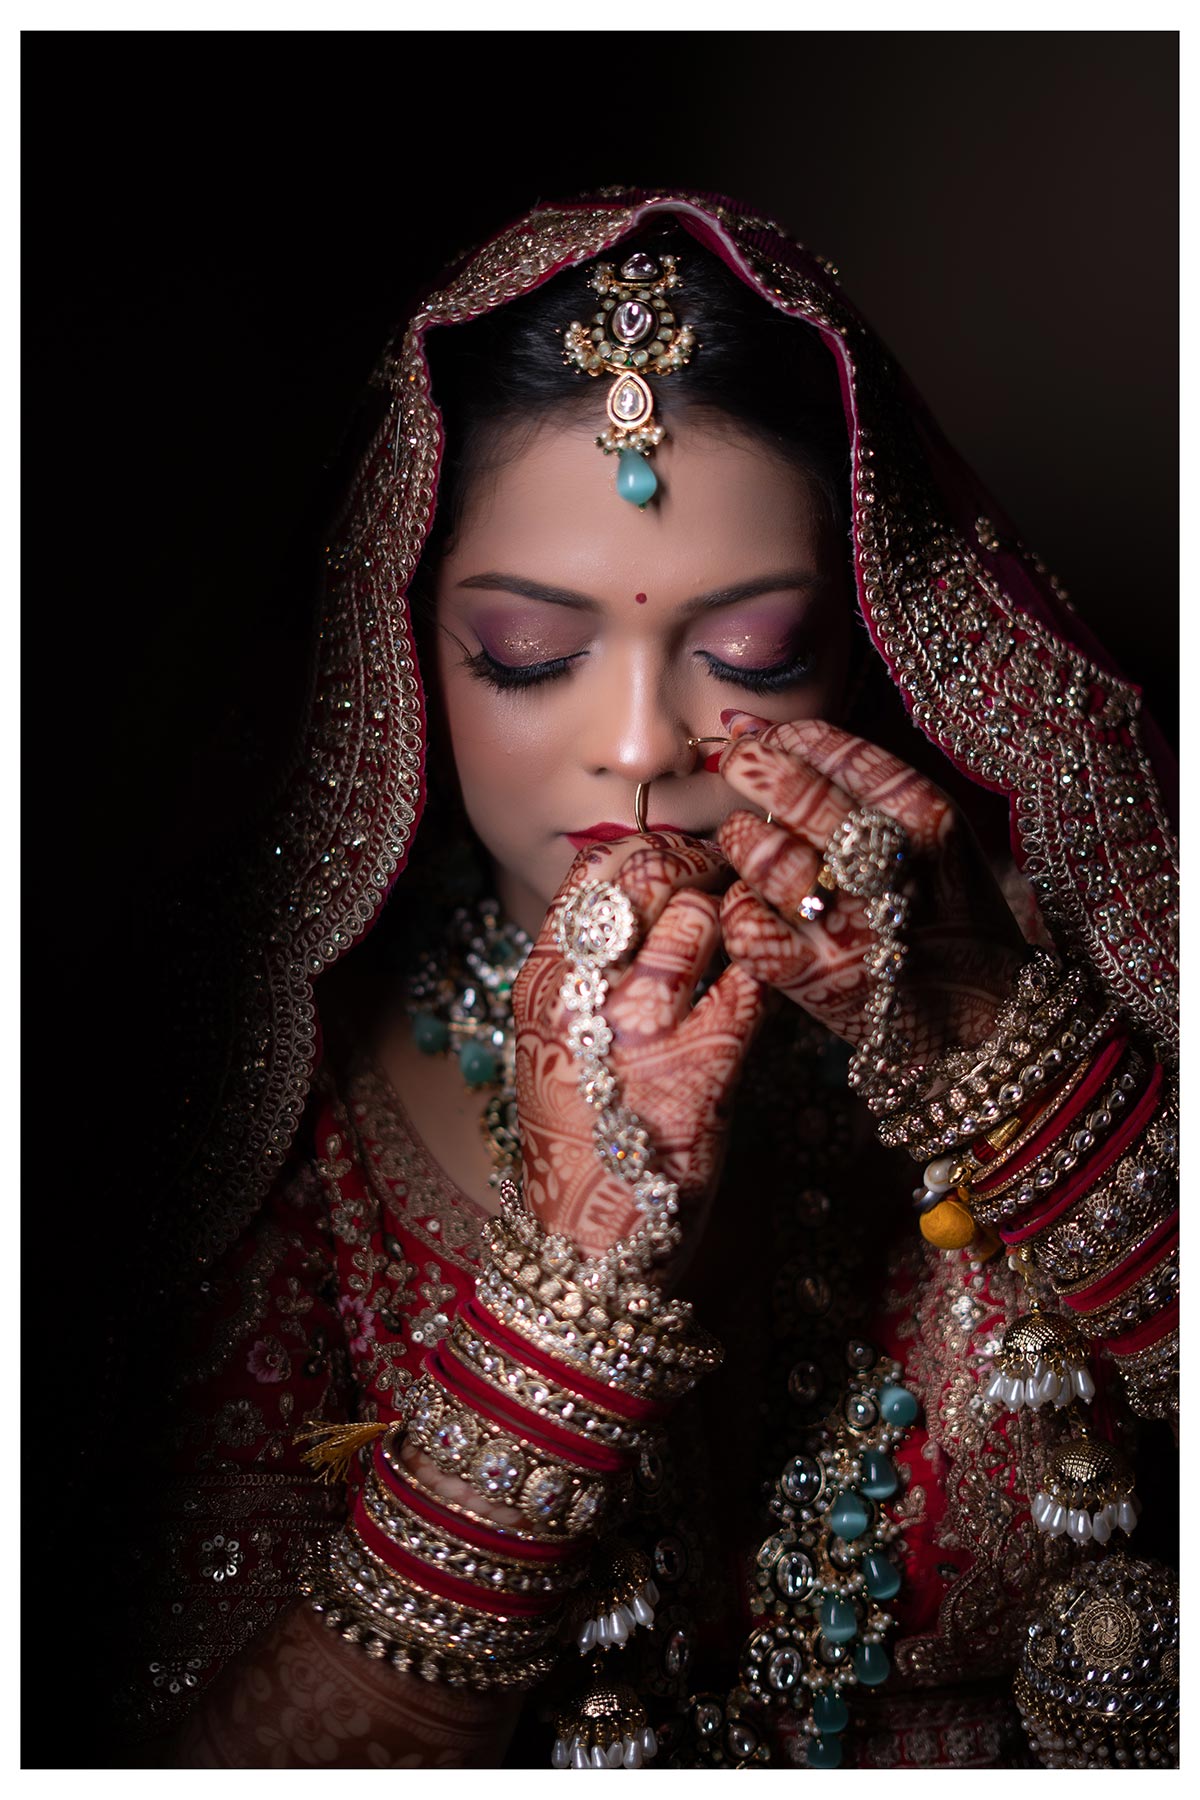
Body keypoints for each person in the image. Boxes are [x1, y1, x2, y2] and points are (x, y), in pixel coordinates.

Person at [109, 188, 1178, 1770]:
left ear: (873, 641)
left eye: (747, 653)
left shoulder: (1017, 970)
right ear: (403, 656)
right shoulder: (286, 1114)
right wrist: (569, 1307)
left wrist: (1005, 1066)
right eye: (528, 657)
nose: (633, 745)